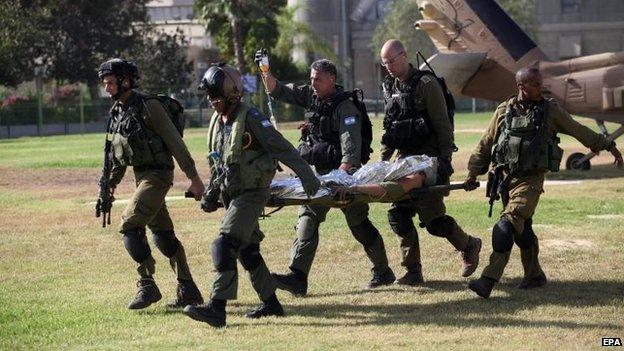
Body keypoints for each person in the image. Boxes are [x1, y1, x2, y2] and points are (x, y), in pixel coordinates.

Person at [466, 67, 623, 298]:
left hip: (531, 181)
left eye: (541, 84)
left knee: (506, 225)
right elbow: (485, 143)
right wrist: (472, 172)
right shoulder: (503, 111)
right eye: (536, 85)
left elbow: (578, 130)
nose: (541, 88)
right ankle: (534, 275)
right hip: (505, 181)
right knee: (522, 230)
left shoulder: (550, 111)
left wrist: (608, 144)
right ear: (521, 87)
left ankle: (488, 279)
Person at [182, 63, 320, 328]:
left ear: (232, 92)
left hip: (252, 193)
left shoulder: (252, 117)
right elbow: (219, 163)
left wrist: (308, 178)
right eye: (209, 96)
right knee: (248, 251)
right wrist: (212, 194)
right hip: (233, 194)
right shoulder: (219, 120)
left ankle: (217, 308)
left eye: (215, 95)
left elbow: (283, 148)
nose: (212, 101)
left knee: (224, 246)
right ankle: (271, 304)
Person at [257, 53, 395, 295]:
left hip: (346, 177)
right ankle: (297, 277)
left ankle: (383, 272)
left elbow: (350, 154)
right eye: (311, 79)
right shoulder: (312, 96)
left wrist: (339, 182)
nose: (313, 83)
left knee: (359, 224)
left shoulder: (346, 107)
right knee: (308, 218)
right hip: (318, 177)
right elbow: (275, 89)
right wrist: (265, 69)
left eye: (318, 79)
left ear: (331, 79)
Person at [97, 58, 205, 309]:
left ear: (126, 81)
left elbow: (175, 143)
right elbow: (117, 155)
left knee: (130, 225)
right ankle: (188, 289)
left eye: (111, 83)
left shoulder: (150, 106)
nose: (107, 89)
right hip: (140, 176)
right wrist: (109, 186)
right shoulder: (117, 112)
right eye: (105, 84)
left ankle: (147, 285)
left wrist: (195, 179)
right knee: (163, 236)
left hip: (158, 175)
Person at [378, 39, 482, 285]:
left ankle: (469, 245)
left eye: (392, 61)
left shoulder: (426, 84)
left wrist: (445, 160)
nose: (389, 67)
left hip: (429, 163)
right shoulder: (390, 87)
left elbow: (442, 125)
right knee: (399, 216)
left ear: (404, 56)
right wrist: (382, 160)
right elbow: (390, 128)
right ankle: (413, 271)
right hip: (403, 162)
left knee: (434, 223)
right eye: (385, 63)